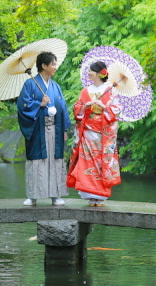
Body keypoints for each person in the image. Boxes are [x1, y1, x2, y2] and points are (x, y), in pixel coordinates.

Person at [17, 51, 71, 206]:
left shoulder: (56, 87)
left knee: (55, 160)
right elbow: (22, 106)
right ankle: (32, 196)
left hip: (55, 128)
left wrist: (64, 130)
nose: (55, 67)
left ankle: (56, 195)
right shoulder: (29, 84)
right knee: (37, 161)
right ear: (44, 65)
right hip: (38, 128)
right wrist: (39, 104)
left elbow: (63, 108)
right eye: (53, 64)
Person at [67, 60, 121, 206]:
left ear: (99, 73)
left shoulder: (111, 90)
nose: (89, 73)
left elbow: (116, 110)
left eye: (91, 71)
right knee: (87, 164)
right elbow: (77, 110)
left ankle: (101, 196)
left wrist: (104, 107)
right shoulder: (85, 91)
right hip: (88, 134)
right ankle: (90, 196)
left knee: (101, 165)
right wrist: (85, 107)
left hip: (103, 136)